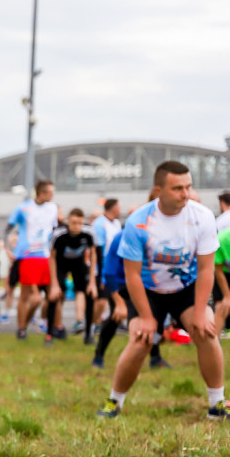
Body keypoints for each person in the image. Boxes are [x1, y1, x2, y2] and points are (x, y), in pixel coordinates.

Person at [97, 161, 228, 419]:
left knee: (207, 333)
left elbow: (205, 270)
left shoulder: (202, 217)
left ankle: (217, 404)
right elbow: (132, 275)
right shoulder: (138, 221)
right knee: (140, 340)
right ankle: (114, 401)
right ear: (159, 190)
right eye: (178, 188)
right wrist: (146, 318)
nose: (185, 193)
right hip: (148, 291)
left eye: (188, 187)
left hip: (186, 289)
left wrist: (201, 313)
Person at [92, 229, 166, 369]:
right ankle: (98, 356)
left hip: (144, 284)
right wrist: (119, 303)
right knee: (117, 317)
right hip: (120, 285)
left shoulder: (157, 238)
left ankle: (155, 358)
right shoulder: (120, 238)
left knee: (153, 319)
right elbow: (109, 273)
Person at [8, 180, 58, 341]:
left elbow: (54, 231)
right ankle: (21, 328)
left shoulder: (53, 208)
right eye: (50, 192)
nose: (53, 195)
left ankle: (50, 329)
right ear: (41, 193)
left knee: (51, 295)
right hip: (28, 255)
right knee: (27, 296)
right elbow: (7, 230)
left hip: (46, 256)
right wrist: (9, 249)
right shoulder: (24, 208)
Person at [47, 208, 97, 346]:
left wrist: (92, 281)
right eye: (74, 223)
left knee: (90, 294)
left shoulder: (88, 233)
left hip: (78, 264)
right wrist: (54, 284)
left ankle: (88, 335)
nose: (77, 227)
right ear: (68, 221)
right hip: (61, 264)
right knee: (54, 296)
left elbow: (93, 254)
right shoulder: (58, 234)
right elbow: (51, 257)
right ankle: (49, 335)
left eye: (80, 223)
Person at [91, 198, 122, 341]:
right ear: (112, 208)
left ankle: (112, 324)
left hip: (115, 267)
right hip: (102, 268)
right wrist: (102, 274)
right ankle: (94, 324)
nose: (121, 209)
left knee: (114, 300)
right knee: (101, 299)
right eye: (119, 206)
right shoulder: (99, 224)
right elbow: (98, 251)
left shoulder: (116, 223)